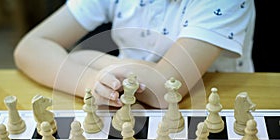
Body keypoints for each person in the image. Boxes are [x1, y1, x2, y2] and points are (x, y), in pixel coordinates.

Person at [13, 0, 256, 108]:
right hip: (120, 101)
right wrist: (89, 81)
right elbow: (30, 47)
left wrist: (84, 60)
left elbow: (164, 89)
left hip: (209, 109)